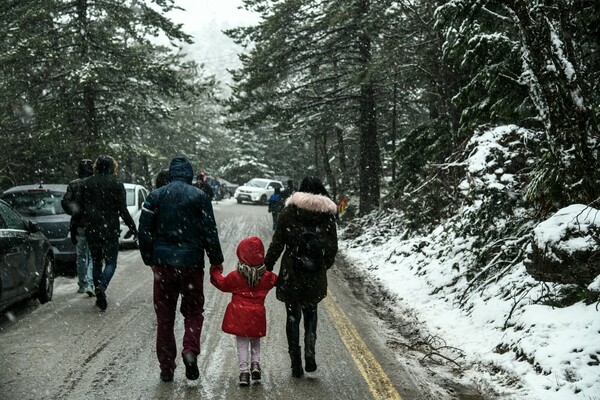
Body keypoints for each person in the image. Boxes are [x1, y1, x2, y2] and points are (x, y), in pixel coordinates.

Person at [139, 156, 224, 383]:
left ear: (170, 173)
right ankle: (190, 350)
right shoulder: (200, 197)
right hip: (191, 265)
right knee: (194, 312)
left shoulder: (155, 197)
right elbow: (209, 231)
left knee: (165, 318)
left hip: (163, 266)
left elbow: (144, 231)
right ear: (189, 174)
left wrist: (150, 259)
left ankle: (166, 367)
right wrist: (216, 259)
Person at [264, 176, 338, 378]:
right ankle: (310, 352)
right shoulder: (327, 216)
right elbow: (332, 247)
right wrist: (322, 265)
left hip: (292, 272)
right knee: (311, 312)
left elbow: (278, 242)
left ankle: (295, 361)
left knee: (292, 316)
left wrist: (267, 266)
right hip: (314, 273)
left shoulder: (289, 212)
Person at [209, 236, 278, 386]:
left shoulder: (236, 276)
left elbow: (221, 283)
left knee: (242, 343)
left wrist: (215, 271)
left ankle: (244, 373)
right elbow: (278, 280)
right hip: (257, 315)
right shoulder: (266, 276)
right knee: (255, 340)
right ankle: (255, 364)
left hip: (240, 316)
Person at [76, 155, 138, 311]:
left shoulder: (86, 184)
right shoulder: (116, 184)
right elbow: (123, 210)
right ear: (112, 167)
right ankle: (102, 286)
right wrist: (133, 228)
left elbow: (79, 210)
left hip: (92, 229)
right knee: (111, 262)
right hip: (110, 228)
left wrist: (73, 228)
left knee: (96, 261)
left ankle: (99, 290)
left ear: (97, 166)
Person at [61, 159, 94, 296]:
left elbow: (65, 201)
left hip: (79, 224)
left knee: (81, 255)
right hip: (93, 224)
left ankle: (82, 284)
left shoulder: (73, 184)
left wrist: (76, 212)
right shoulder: (94, 183)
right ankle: (90, 283)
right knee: (93, 256)